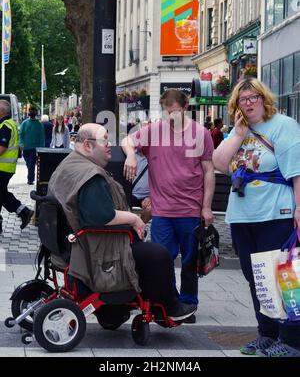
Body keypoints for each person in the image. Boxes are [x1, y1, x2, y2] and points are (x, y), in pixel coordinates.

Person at [47, 123, 196, 322]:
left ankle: (114, 312)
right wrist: (135, 218)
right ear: (88, 146)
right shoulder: (90, 176)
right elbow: (101, 216)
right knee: (158, 255)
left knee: (145, 250)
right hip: (92, 250)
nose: (110, 145)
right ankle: (168, 307)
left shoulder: (71, 164)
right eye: (104, 141)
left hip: (74, 244)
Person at [213, 78, 300, 358]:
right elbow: (218, 162)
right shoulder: (239, 131)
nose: (249, 103)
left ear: (264, 99)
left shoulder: (283, 126)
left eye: (253, 98)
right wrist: (237, 135)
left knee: (283, 277)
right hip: (243, 216)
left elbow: (297, 173)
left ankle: (292, 339)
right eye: (243, 100)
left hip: (276, 213)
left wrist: (299, 210)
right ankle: (267, 333)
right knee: (256, 278)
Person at [122, 89, 215, 323]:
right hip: (162, 210)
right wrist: (131, 156)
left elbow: (208, 172)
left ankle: (189, 302)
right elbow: (127, 140)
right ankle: (169, 301)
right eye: (166, 111)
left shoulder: (200, 133)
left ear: (185, 108)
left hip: (190, 209)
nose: (170, 116)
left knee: (189, 260)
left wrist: (206, 207)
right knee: (162, 259)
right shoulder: (155, 131)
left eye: (174, 111)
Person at [0, 100, 34, 234]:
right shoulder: (9, 124)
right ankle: (23, 212)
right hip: (6, 167)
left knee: (2, 194)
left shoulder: (5, 126)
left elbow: (2, 148)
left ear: (1, 111)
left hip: (2, 167)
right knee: (1, 193)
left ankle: (23, 211)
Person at [19, 106, 45, 185]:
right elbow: (21, 134)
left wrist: (41, 148)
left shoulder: (39, 124)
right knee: (28, 164)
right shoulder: (24, 123)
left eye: (33, 111)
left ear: (36, 113)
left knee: (31, 164)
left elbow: (42, 137)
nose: (31, 112)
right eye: (30, 111)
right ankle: (30, 176)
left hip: (35, 148)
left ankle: (30, 179)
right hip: (26, 148)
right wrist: (21, 143)